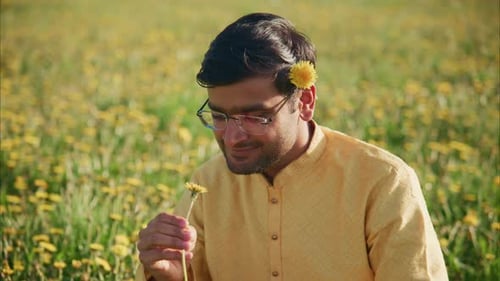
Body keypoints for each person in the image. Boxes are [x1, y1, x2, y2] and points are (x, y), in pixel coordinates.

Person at [136, 12, 448, 281]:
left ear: (305, 102)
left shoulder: (383, 181)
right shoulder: (206, 185)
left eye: (257, 117)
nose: (232, 138)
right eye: (220, 116)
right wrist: (167, 275)